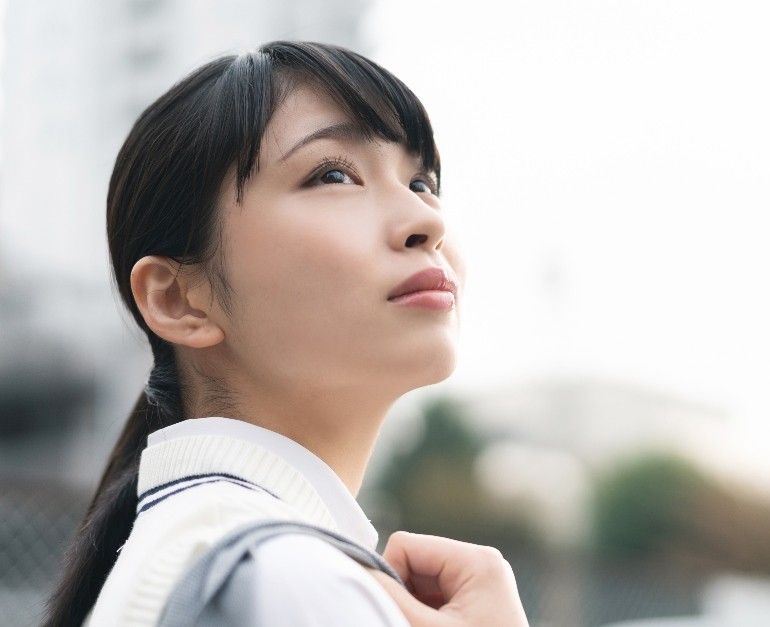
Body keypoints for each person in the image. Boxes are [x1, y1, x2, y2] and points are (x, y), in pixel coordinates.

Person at [43, 41, 528, 627]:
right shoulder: (283, 579)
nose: (429, 221)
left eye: (422, 183)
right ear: (179, 300)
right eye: (334, 174)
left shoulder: (218, 551)